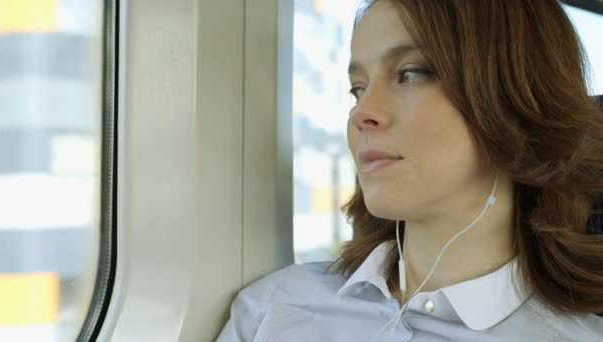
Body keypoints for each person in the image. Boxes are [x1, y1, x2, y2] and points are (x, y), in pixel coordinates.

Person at [217, 0, 603, 340]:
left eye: (410, 73)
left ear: (516, 100)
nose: (360, 113)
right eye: (358, 88)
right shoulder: (270, 310)